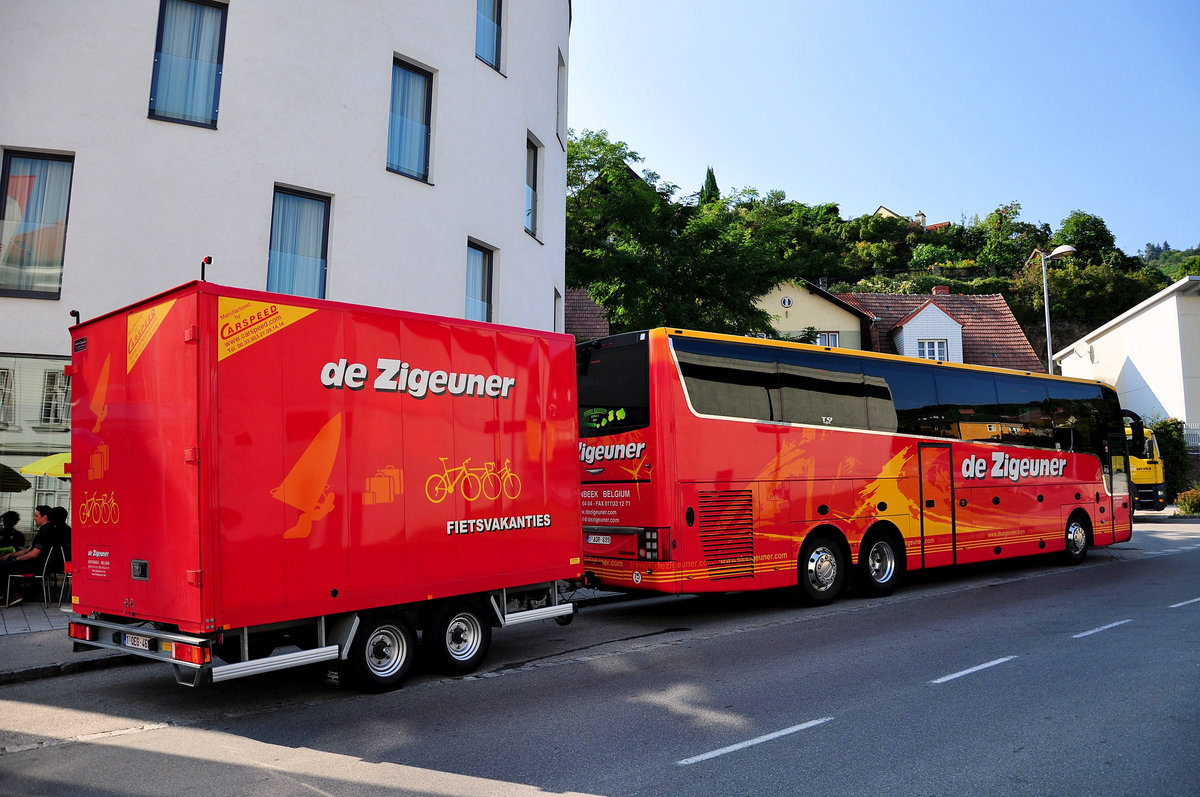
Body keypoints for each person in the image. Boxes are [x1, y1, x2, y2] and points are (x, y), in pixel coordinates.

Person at [0, 505, 56, 608]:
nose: (34, 518)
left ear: (45, 517)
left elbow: (34, 553)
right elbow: (28, 549)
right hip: (34, 564)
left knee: (3, 566)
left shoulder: (45, 531)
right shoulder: (48, 529)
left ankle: (10, 595)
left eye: (36, 515)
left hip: (33, 565)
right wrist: (11, 555)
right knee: (6, 562)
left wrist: (16, 559)